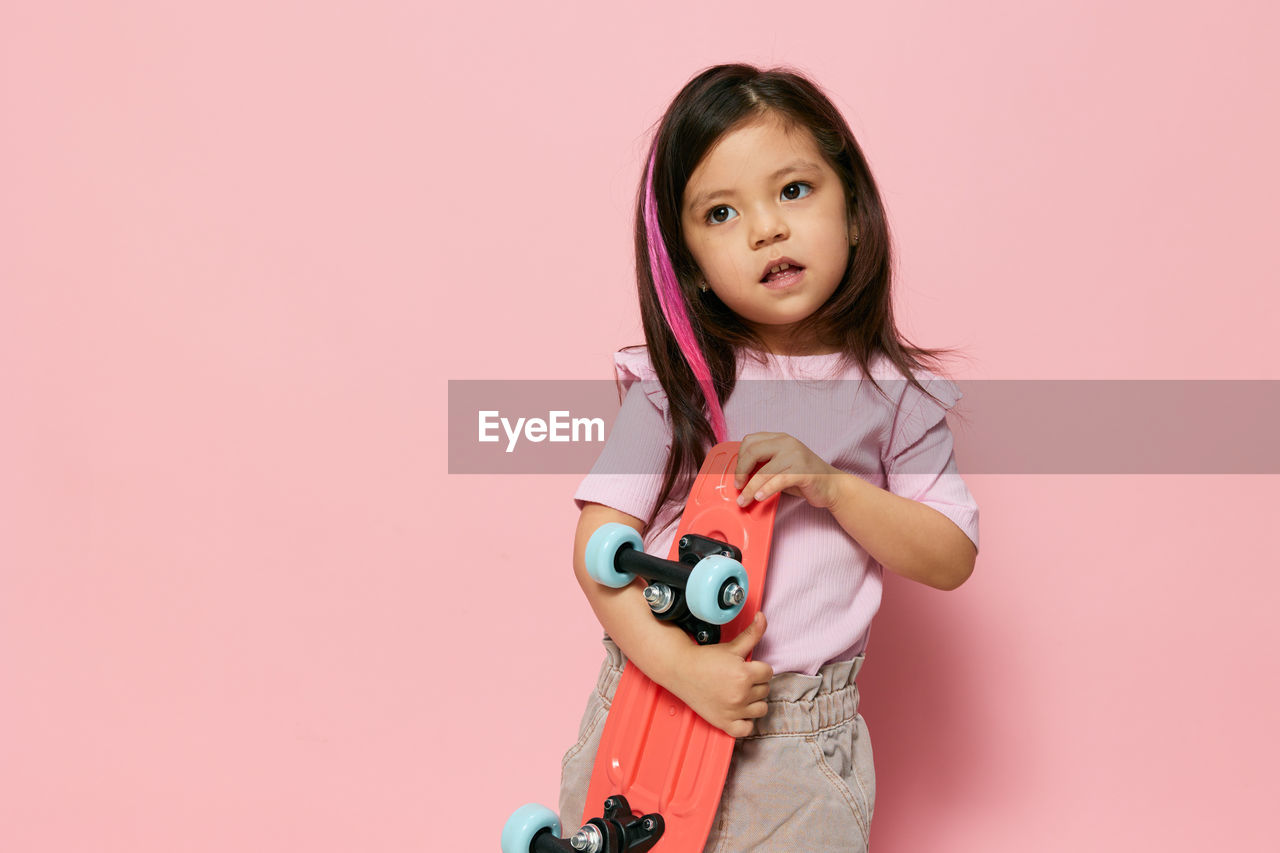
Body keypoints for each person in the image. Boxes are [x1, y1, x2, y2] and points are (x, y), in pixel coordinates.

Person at [558, 63, 980, 852]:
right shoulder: (677, 383)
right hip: (653, 704)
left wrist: (832, 487)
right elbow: (596, 549)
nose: (765, 229)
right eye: (721, 212)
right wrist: (680, 668)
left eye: (793, 191)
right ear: (689, 264)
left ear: (855, 211)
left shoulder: (895, 398)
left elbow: (951, 554)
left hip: (796, 744)